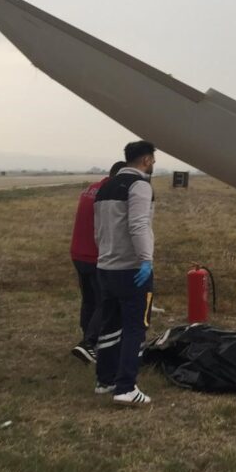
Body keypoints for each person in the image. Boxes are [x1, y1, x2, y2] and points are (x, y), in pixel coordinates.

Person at [93, 141, 157, 406]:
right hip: (131, 269)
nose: (153, 163)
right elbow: (139, 224)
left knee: (109, 325)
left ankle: (105, 380)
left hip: (105, 266)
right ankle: (126, 387)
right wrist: (146, 260)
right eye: (152, 158)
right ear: (145, 160)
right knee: (134, 328)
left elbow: (99, 229)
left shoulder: (105, 186)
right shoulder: (140, 185)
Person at [69, 161, 126, 364]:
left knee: (89, 299)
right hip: (96, 256)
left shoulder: (91, 189)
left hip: (78, 253)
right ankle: (89, 343)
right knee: (105, 300)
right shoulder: (111, 193)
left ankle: (86, 340)